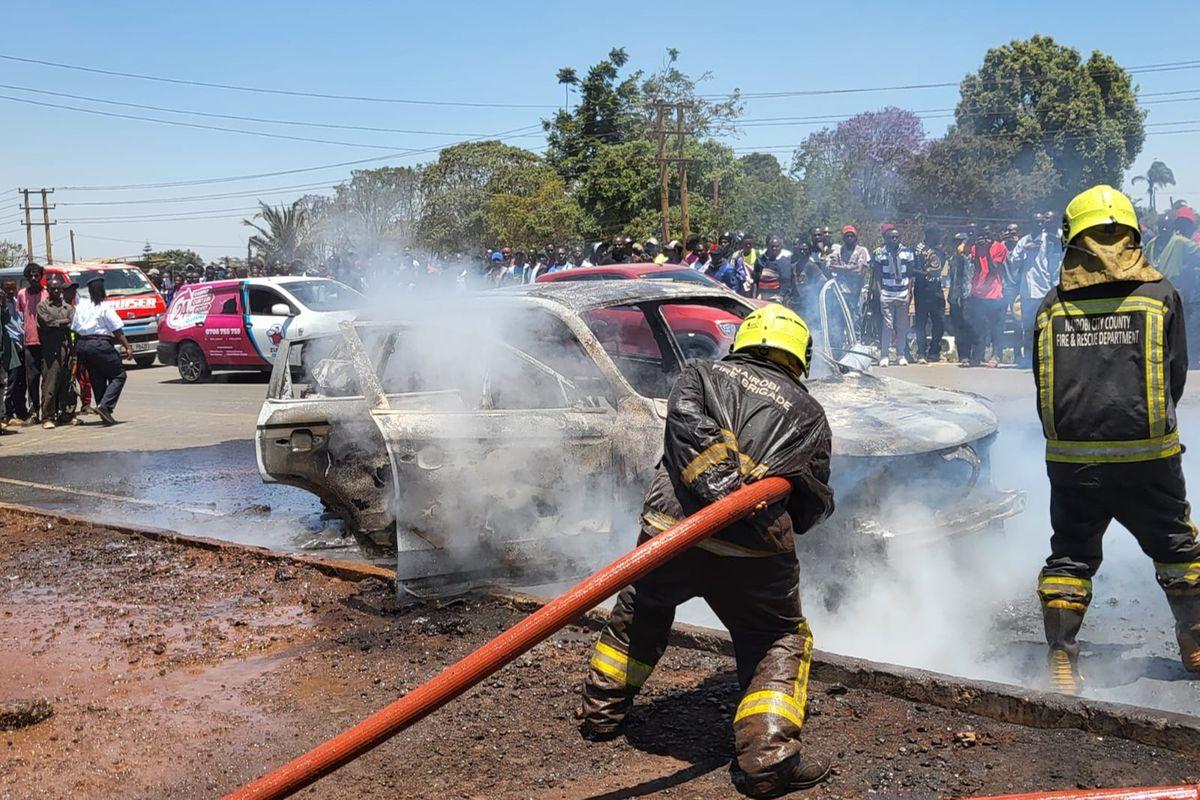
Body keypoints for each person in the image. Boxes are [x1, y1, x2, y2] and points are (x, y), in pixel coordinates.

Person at [580, 304, 835, 796]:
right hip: (755, 553)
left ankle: (601, 715)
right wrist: (741, 497)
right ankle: (768, 762)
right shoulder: (810, 413)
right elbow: (810, 507)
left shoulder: (701, 374)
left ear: (743, 341)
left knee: (642, 607)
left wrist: (718, 491)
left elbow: (689, 436)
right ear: (798, 356)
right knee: (775, 637)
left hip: (670, 533)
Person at [1033, 185, 1200, 693]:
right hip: (1149, 455)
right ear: (1133, 235)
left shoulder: (1051, 305)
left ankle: (1063, 661)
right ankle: (1194, 643)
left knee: (1070, 556)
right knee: (1176, 548)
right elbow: (1175, 375)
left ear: (1072, 239)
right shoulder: (1160, 295)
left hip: (1072, 461)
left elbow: (1043, 381)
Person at [71, 276, 132, 426]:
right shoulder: (105, 307)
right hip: (100, 344)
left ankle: (103, 410)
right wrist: (128, 347)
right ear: (102, 290)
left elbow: (74, 328)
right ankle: (105, 406)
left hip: (82, 345)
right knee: (119, 375)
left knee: (97, 378)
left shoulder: (81, 306)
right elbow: (117, 330)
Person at [1011, 212, 1063, 368]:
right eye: (1037, 222)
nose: (1040, 225)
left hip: (1045, 290)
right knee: (1028, 326)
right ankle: (1029, 358)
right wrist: (1025, 251)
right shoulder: (1023, 241)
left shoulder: (1050, 239)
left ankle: (1048, 358)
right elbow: (1013, 261)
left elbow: (1057, 262)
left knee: (1047, 326)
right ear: (1030, 223)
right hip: (1027, 291)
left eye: (1042, 222)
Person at [871, 224, 915, 366]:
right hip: (887, 293)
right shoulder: (880, 253)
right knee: (887, 325)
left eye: (897, 237)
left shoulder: (907, 252)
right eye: (892, 237)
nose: (894, 240)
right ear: (886, 238)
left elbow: (910, 274)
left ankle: (900, 354)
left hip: (902, 293)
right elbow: (877, 275)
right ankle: (884, 354)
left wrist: (909, 292)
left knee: (902, 326)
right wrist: (880, 292)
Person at [35, 273, 74, 429]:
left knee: (68, 382)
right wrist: (63, 323)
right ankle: (47, 417)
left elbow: (72, 323)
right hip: (50, 349)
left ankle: (68, 414)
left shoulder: (68, 307)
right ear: (48, 289)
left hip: (66, 348)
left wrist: (60, 323)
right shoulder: (42, 306)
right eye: (52, 289)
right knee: (50, 383)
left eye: (58, 289)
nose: (56, 292)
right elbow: (47, 323)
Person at [965, 227, 1007, 366]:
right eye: (983, 234)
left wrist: (988, 250)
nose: (985, 237)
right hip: (978, 293)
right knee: (978, 328)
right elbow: (966, 254)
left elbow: (994, 268)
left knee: (996, 328)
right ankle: (977, 356)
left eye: (988, 234)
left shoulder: (999, 247)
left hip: (994, 293)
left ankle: (996, 355)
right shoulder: (976, 247)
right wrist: (973, 240)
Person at [912, 224, 947, 363]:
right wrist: (924, 273)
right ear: (930, 234)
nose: (939, 237)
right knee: (921, 323)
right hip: (922, 290)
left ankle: (934, 351)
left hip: (937, 290)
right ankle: (921, 352)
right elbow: (910, 269)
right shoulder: (917, 249)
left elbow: (940, 268)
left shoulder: (940, 250)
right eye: (937, 234)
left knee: (940, 322)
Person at [15, 263, 44, 424]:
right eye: (31, 276)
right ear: (26, 277)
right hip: (29, 343)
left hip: (46, 343)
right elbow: (19, 318)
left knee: (47, 379)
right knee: (32, 380)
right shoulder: (21, 294)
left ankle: (49, 412)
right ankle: (34, 412)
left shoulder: (47, 294)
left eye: (37, 275)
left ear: (41, 276)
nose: (34, 278)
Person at [825, 226, 870, 329]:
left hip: (856, 291)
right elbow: (830, 266)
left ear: (855, 237)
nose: (849, 238)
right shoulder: (839, 251)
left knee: (855, 318)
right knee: (839, 317)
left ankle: (856, 342)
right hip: (841, 290)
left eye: (851, 236)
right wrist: (849, 268)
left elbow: (859, 270)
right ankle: (839, 342)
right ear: (844, 238)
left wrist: (841, 268)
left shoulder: (861, 251)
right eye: (847, 236)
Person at [752, 236, 796, 305]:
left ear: (781, 247)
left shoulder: (785, 262)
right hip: (762, 296)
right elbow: (756, 280)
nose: (774, 248)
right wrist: (754, 297)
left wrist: (780, 297)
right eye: (772, 246)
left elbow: (786, 282)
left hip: (776, 297)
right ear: (768, 247)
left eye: (776, 246)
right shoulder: (762, 260)